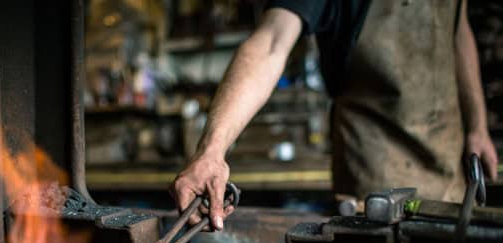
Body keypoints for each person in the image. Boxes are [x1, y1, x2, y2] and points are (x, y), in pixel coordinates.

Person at [170, 0, 499, 231]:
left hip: (450, 166)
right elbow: (270, 42)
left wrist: (478, 126)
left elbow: (460, 30)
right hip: (376, 182)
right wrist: (211, 151)